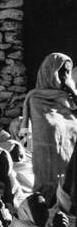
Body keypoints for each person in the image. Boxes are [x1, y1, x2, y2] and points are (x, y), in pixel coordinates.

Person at [24, 52, 77, 190]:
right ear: (50, 72)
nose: (64, 76)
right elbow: (28, 131)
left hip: (69, 163)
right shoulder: (36, 99)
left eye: (67, 72)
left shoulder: (69, 100)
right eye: (61, 72)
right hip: (46, 165)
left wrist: (71, 90)